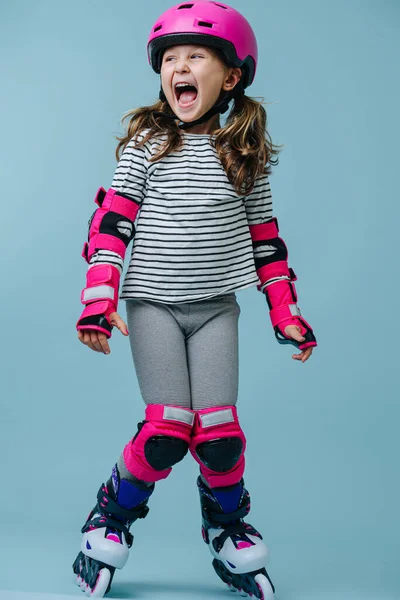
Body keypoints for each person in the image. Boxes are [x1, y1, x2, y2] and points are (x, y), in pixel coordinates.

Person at [72, 1, 317, 598]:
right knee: (166, 431)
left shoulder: (243, 156)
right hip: (153, 305)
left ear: (230, 77)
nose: (179, 67)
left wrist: (285, 313)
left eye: (196, 56)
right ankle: (111, 518)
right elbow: (111, 224)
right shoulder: (147, 145)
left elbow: (266, 239)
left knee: (219, 433)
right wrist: (98, 300)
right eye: (170, 59)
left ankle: (226, 528)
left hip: (215, 309)